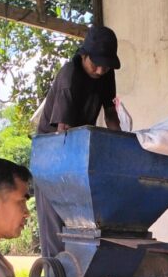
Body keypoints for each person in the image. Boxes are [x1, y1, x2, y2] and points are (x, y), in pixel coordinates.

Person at [35, 25, 122, 257]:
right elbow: (63, 131)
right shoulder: (69, 76)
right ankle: (55, 274)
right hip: (52, 155)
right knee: (56, 225)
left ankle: (79, 271)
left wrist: (121, 145)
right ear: (84, 55)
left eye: (106, 65)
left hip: (78, 150)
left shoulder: (106, 74)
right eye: (96, 63)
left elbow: (110, 113)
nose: (101, 70)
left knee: (82, 224)